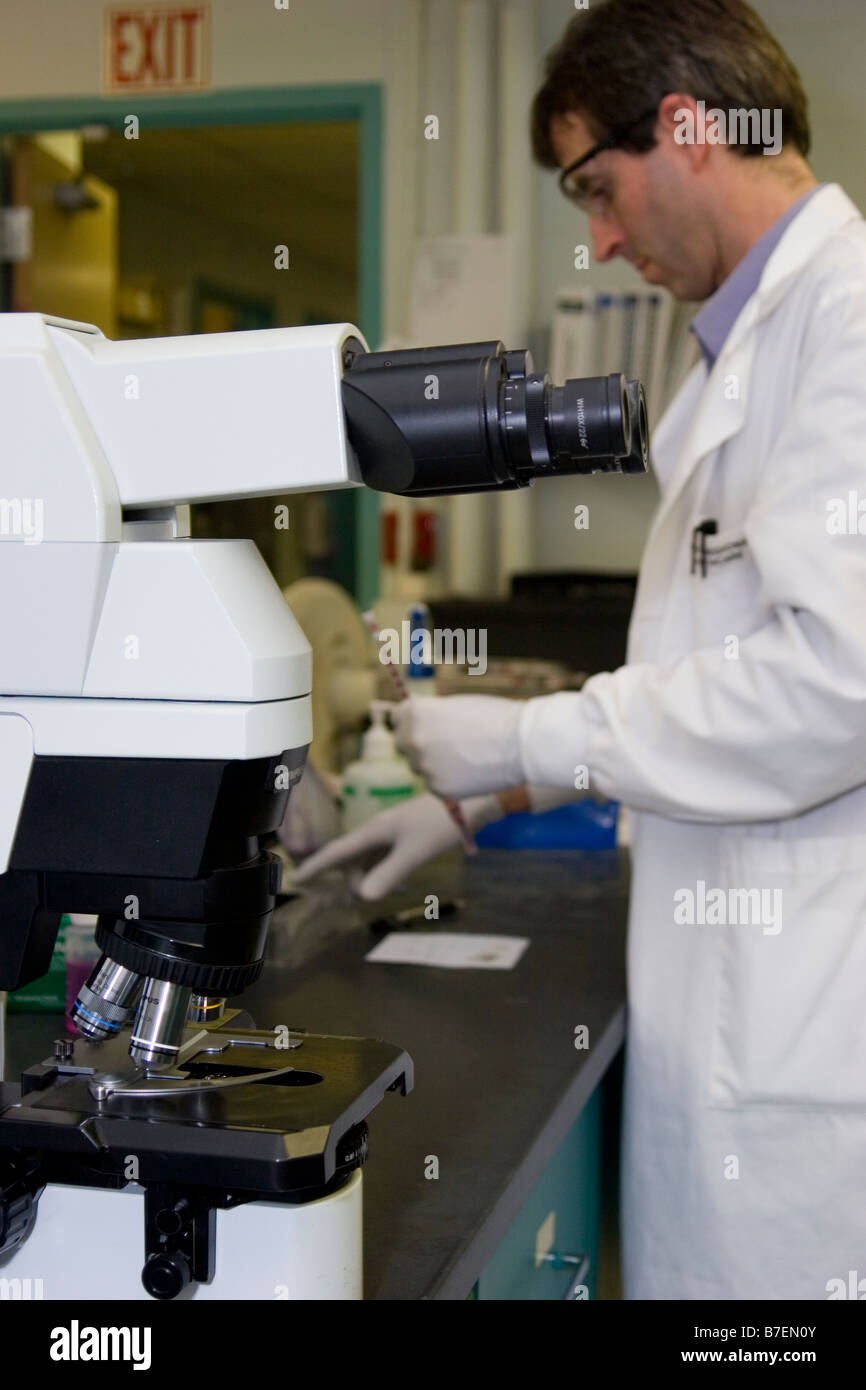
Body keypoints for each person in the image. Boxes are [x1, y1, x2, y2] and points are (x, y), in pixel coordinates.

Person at [294, 0, 866, 1300]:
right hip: (742, 1009)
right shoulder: (748, 340)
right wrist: (495, 793)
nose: (600, 241)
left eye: (596, 191)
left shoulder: (844, 324)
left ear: (684, 128)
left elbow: (838, 684)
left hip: (800, 1073)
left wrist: (537, 734)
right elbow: (718, 676)